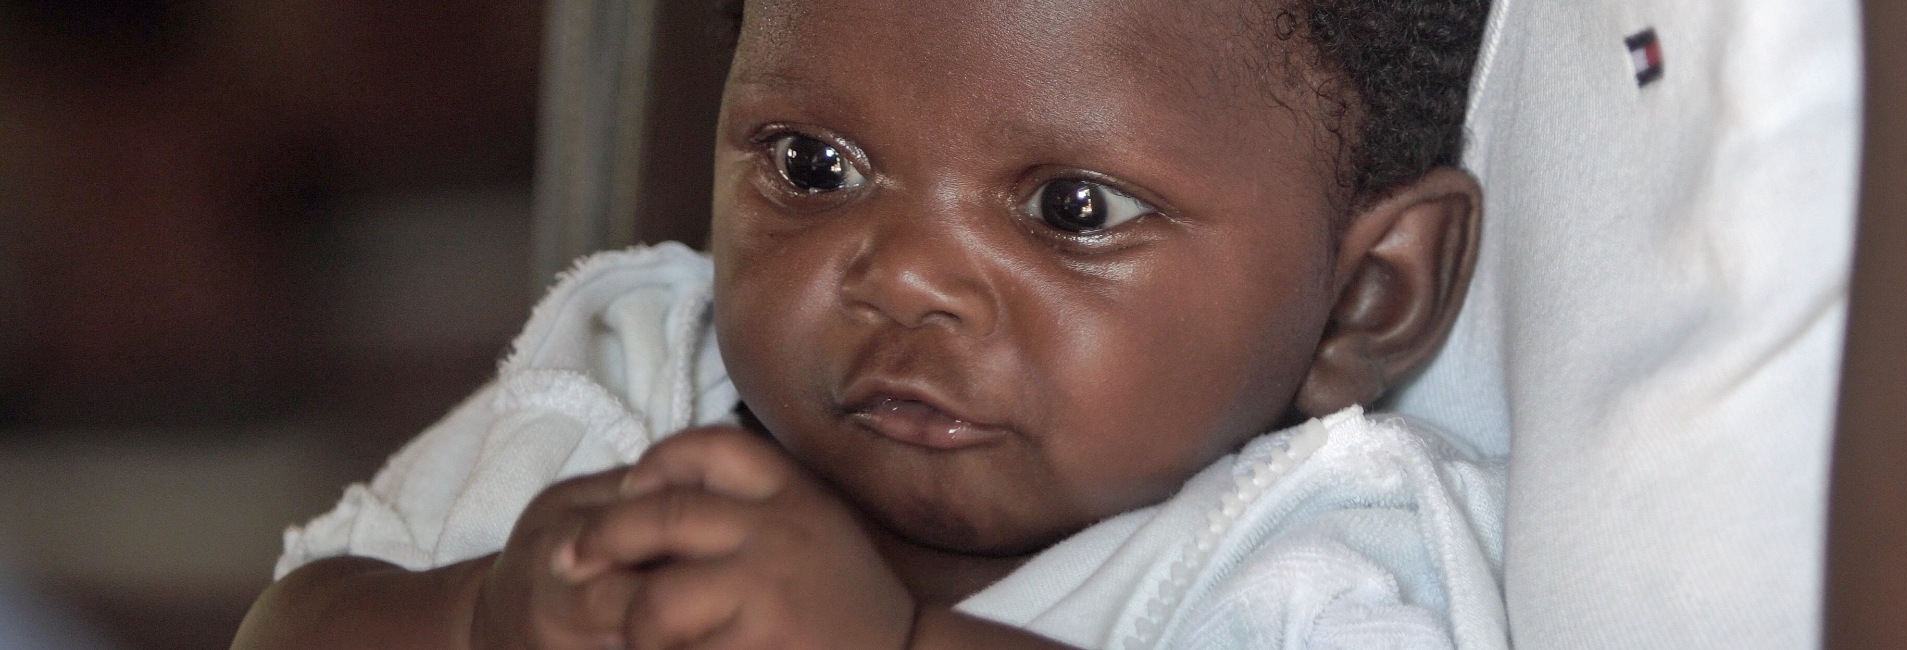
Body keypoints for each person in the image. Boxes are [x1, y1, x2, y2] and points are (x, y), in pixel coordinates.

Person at [233, 0, 1502, 647]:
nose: (901, 276)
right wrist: (479, 618)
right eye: (812, 164)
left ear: (1364, 296)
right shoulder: (627, 395)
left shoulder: (1323, 555)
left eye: (1070, 207)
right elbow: (295, 620)